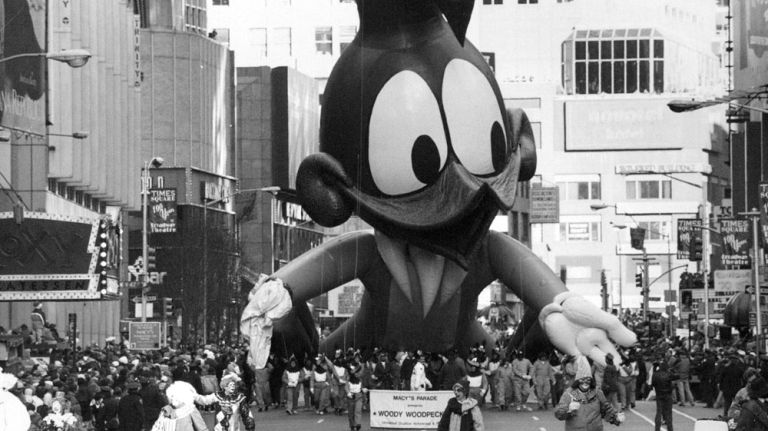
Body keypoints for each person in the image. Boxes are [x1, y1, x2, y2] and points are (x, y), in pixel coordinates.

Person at [554, 355, 622, 431]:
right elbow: (559, 414)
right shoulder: (569, 393)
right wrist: (568, 410)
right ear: (577, 381)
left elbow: (606, 410)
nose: (585, 382)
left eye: (588, 379)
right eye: (582, 379)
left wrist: (616, 418)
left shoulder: (597, 392)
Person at [651, 360, 677, 431]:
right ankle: (670, 428)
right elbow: (677, 376)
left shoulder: (655, 374)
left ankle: (657, 429)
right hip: (668, 394)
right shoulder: (668, 374)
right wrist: (672, 371)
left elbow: (652, 384)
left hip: (659, 395)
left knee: (659, 412)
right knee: (668, 413)